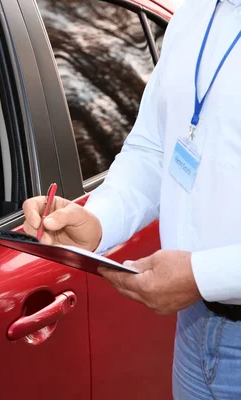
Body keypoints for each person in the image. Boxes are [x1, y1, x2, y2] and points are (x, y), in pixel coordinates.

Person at [22, 0, 241, 398]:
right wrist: (99, 220)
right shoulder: (197, 14)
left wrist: (202, 275)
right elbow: (155, 150)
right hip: (194, 331)